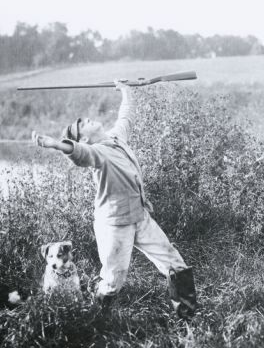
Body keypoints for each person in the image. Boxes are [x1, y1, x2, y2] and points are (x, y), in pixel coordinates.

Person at [31, 80, 197, 318]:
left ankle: (187, 321)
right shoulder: (95, 152)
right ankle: (96, 321)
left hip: (140, 217)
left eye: (84, 120)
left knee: (175, 264)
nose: (86, 120)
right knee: (112, 281)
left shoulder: (115, 138)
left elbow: (126, 117)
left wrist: (126, 91)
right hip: (114, 224)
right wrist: (56, 144)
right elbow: (79, 154)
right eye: (82, 125)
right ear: (84, 139)